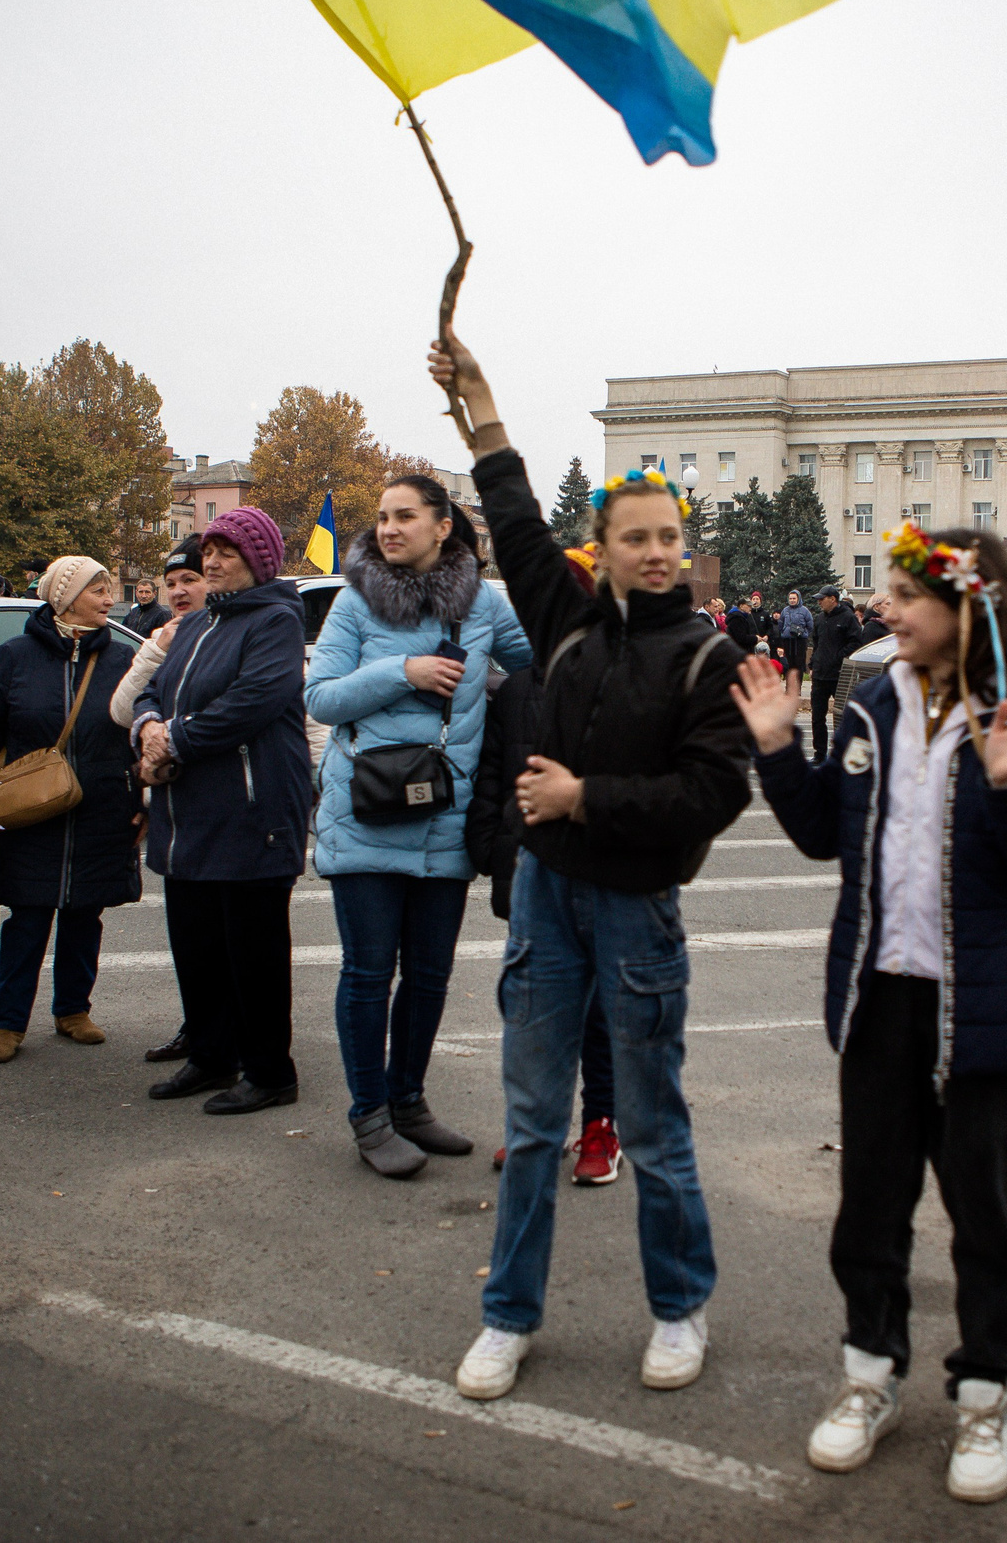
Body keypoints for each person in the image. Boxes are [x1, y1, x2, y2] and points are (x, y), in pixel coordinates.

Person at [428, 332, 752, 1404]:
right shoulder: (563, 619)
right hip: (544, 903)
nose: (657, 553)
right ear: (602, 546)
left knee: (653, 1125)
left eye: (669, 537)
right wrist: (479, 400)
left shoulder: (704, 656)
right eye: (636, 538)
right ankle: (508, 1318)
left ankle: (677, 1310)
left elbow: (714, 796)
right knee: (531, 1127)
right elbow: (509, 511)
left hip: (636, 910)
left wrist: (582, 799)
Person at [741, 523, 1007, 1505]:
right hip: (877, 999)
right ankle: (868, 1376)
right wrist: (773, 750)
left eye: (905, 596)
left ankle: (984, 1394)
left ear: (969, 605)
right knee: (870, 1210)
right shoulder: (868, 707)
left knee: (982, 1216)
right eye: (885, 594)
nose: (884, 610)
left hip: (982, 1010)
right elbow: (820, 834)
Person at [308, 473, 531, 1177]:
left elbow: (550, 664)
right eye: (381, 516)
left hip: (446, 819)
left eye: (405, 515)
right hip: (366, 815)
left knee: (430, 975)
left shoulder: (487, 605)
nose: (388, 527)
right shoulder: (353, 602)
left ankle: (409, 1101)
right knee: (369, 973)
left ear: (444, 526)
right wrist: (402, 670)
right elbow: (320, 696)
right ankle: (369, 1115)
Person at [131, 508, 312, 1113]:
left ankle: (269, 1070)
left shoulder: (276, 620)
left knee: (253, 950)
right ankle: (211, 1056)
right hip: (189, 816)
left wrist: (173, 740)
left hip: (251, 812)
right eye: (208, 553)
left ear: (258, 560)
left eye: (226, 553)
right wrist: (149, 725)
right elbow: (154, 691)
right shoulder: (196, 623)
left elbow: (254, 700)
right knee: (198, 943)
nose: (211, 563)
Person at [467, 543, 622, 1188]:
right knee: (533, 1007)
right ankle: (537, 1123)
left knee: (598, 1012)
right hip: (529, 872)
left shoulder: (621, 679)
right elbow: (491, 776)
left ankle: (601, 1125)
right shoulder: (517, 688)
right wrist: (490, 844)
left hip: (604, 873)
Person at [0, 556, 142, 1065]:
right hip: (30, 811)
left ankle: (73, 1011)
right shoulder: (15, 655)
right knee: (29, 917)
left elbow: (138, 733)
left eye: (108, 590)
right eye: (98, 590)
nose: (109, 599)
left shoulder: (122, 659)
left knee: (86, 914)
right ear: (64, 597)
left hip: (101, 806)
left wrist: (141, 797)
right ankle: (8, 1023)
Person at [111, 535, 211, 1064]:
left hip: (228, 809)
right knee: (187, 934)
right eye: (171, 582)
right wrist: (154, 649)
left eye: (189, 579)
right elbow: (123, 710)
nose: (178, 590)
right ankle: (197, 1030)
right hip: (175, 809)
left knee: (232, 940)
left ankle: (234, 1038)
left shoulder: (234, 633)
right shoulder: (165, 638)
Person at [808, 586, 863, 759]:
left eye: (821, 599)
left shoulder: (847, 618)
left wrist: (837, 658)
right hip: (820, 675)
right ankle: (819, 753)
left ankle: (842, 754)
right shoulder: (819, 619)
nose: (819, 602)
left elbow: (856, 642)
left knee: (842, 717)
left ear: (833, 599)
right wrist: (812, 664)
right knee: (817, 717)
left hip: (839, 674)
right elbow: (817, 644)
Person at [777, 588, 814, 678]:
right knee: (789, 664)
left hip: (800, 641)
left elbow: (810, 625)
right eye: (790, 598)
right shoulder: (785, 610)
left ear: (798, 599)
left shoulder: (804, 611)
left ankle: (797, 688)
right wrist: (784, 632)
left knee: (799, 664)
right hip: (788, 640)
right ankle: (789, 687)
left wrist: (803, 633)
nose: (792, 600)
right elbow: (780, 624)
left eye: (794, 598)